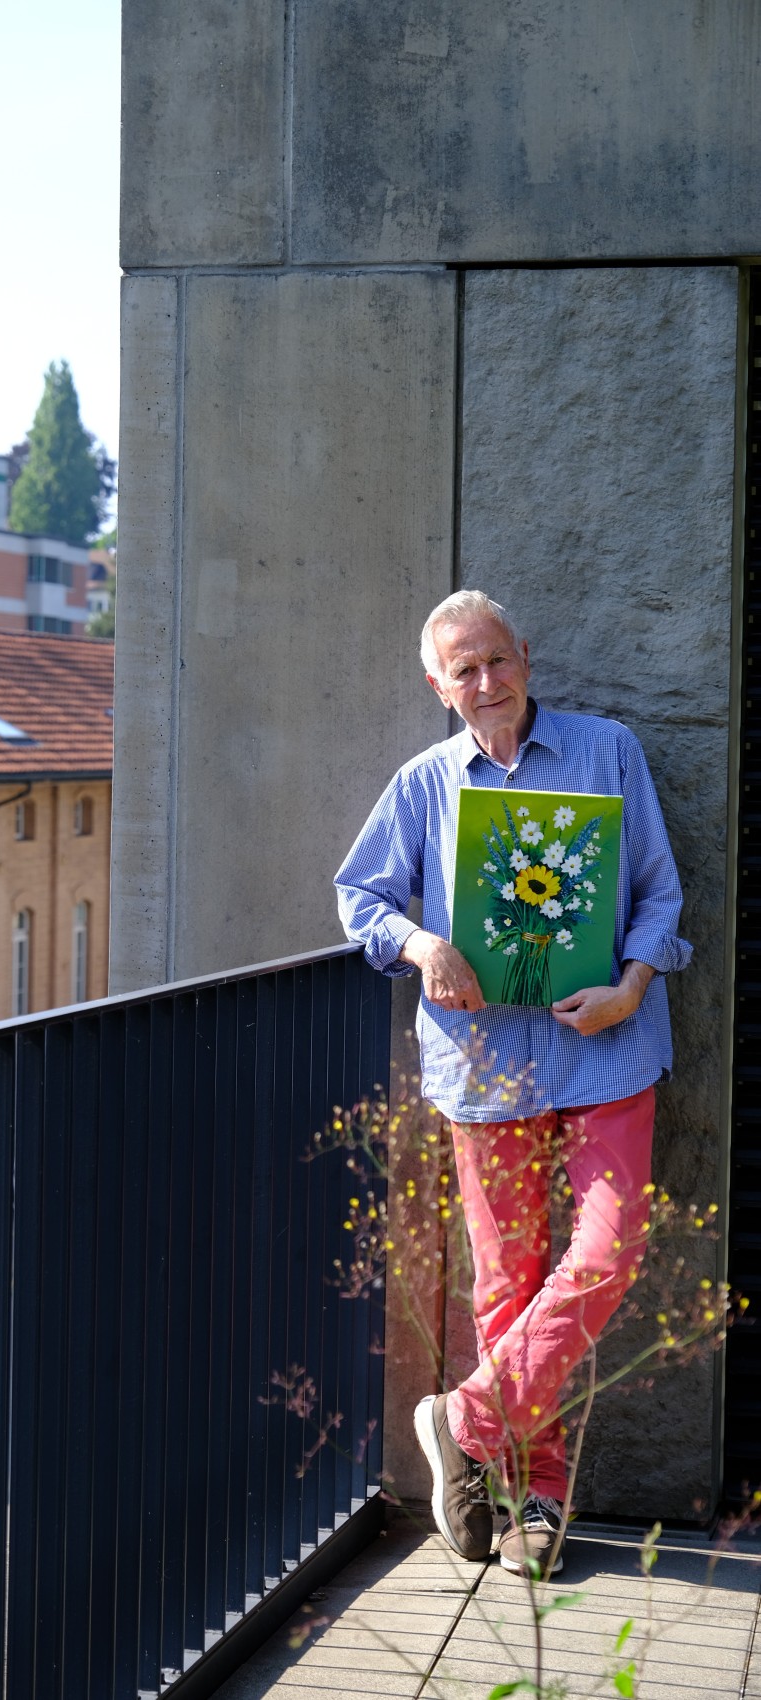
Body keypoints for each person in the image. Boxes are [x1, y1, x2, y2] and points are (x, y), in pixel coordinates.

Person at [334, 589, 691, 1576]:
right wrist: (418, 942)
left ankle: (463, 1419)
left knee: (608, 1251)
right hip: (483, 1068)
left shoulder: (605, 751)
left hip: (604, 1051)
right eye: (463, 670)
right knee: (506, 1287)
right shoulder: (419, 785)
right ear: (435, 686)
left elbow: (658, 889)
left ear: (524, 657)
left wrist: (630, 985)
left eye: (497, 660)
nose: (485, 682)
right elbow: (355, 895)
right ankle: (530, 1500)